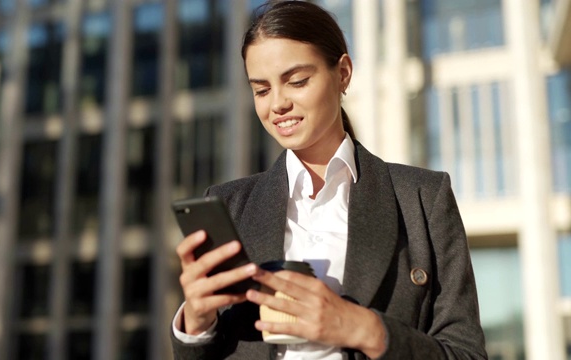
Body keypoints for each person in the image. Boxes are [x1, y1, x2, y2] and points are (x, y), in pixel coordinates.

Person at [171, 1, 487, 359]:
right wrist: (196, 322)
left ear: (343, 73)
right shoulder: (230, 206)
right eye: (261, 90)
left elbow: (466, 353)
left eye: (297, 81)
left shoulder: (422, 198)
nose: (277, 104)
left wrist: (362, 327)